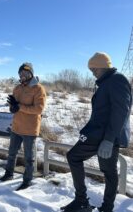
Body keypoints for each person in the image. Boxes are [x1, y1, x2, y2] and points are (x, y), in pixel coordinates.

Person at [61, 52, 132, 212]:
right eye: (91, 68)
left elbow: (121, 112)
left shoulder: (117, 80)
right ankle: (82, 201)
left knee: (107, 170)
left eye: (94, 68)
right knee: (86, 162)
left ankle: (104, 207)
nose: (92, 71)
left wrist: (109, 139)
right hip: (99, 134)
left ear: (104, 66)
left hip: (107, 136)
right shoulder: (106, 82)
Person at [0, 62, 46, 191]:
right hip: (16, 127)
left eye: (26, 73)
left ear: (31, 73)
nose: (23, 75)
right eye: (21, 73)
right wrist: (12, 108)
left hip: (30, 129)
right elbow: (14, 106)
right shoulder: (17, 88)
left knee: (29, 158)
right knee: (11, 154)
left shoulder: (38, 88)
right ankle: (9, 174)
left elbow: (39, 109)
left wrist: (19, 106)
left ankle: (27, 180)